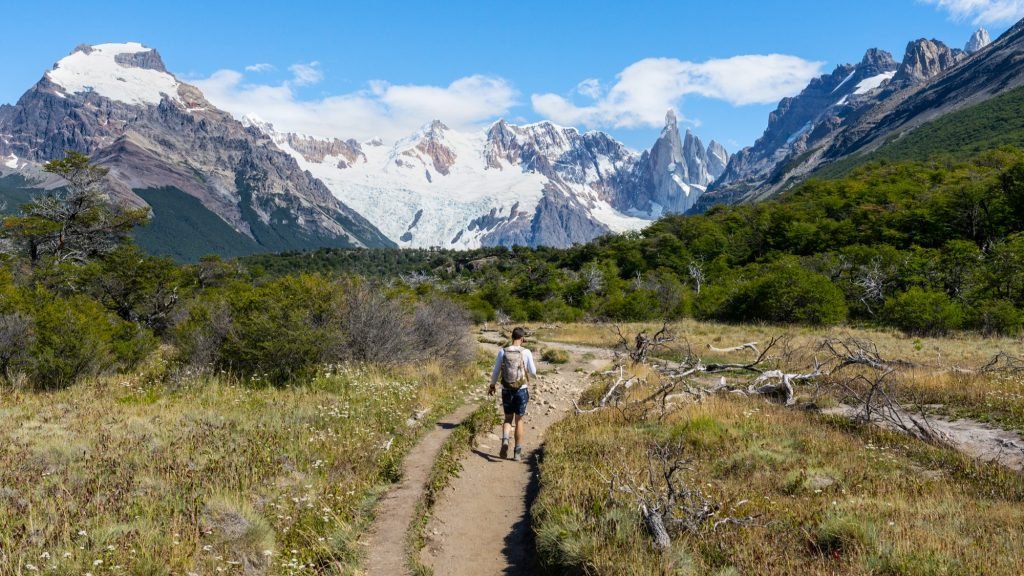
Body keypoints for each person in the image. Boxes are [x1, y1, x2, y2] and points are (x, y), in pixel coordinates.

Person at [488, 326, 537, 461]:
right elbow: (533, 371)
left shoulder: (502, 351)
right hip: (521, 390)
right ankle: (517, 453)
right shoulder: (526, 352)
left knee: (508, 418)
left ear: (512, 337)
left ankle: (505, 440)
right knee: (519, 420)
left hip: (506, 390)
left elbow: (496, 371)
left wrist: (492, 385)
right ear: (522, 339)